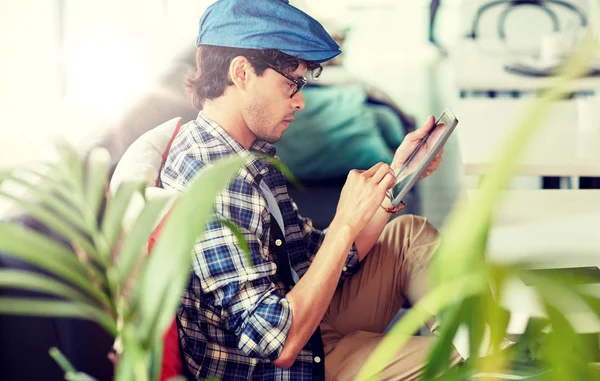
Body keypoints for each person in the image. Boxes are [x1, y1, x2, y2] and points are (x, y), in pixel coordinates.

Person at [159, 0, 454, 379]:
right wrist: (346, 221)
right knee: (448, 362)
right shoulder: (214, 180)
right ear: (242, 72)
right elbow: (277, 342)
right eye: (290, 84)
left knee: (408, 235)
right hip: (284, 366)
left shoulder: (248, 152)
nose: (299, 101)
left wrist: (396, 177)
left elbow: (313, 256)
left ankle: (492, 343)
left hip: (308, 319)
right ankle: (489, 359)